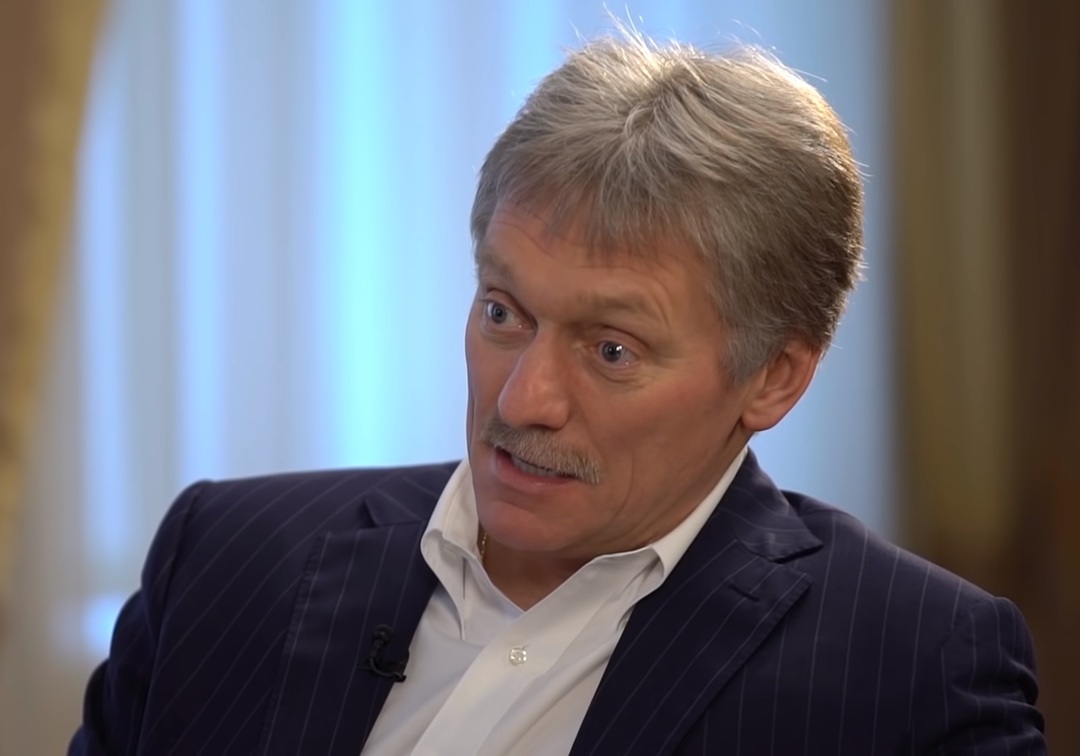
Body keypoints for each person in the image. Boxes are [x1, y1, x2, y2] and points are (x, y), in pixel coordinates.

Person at [70, 28, 1045, 756]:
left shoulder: (914, 670)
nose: (523, 400)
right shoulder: (222, 562)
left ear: (773, 377)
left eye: (612, 350)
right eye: (503, 312)